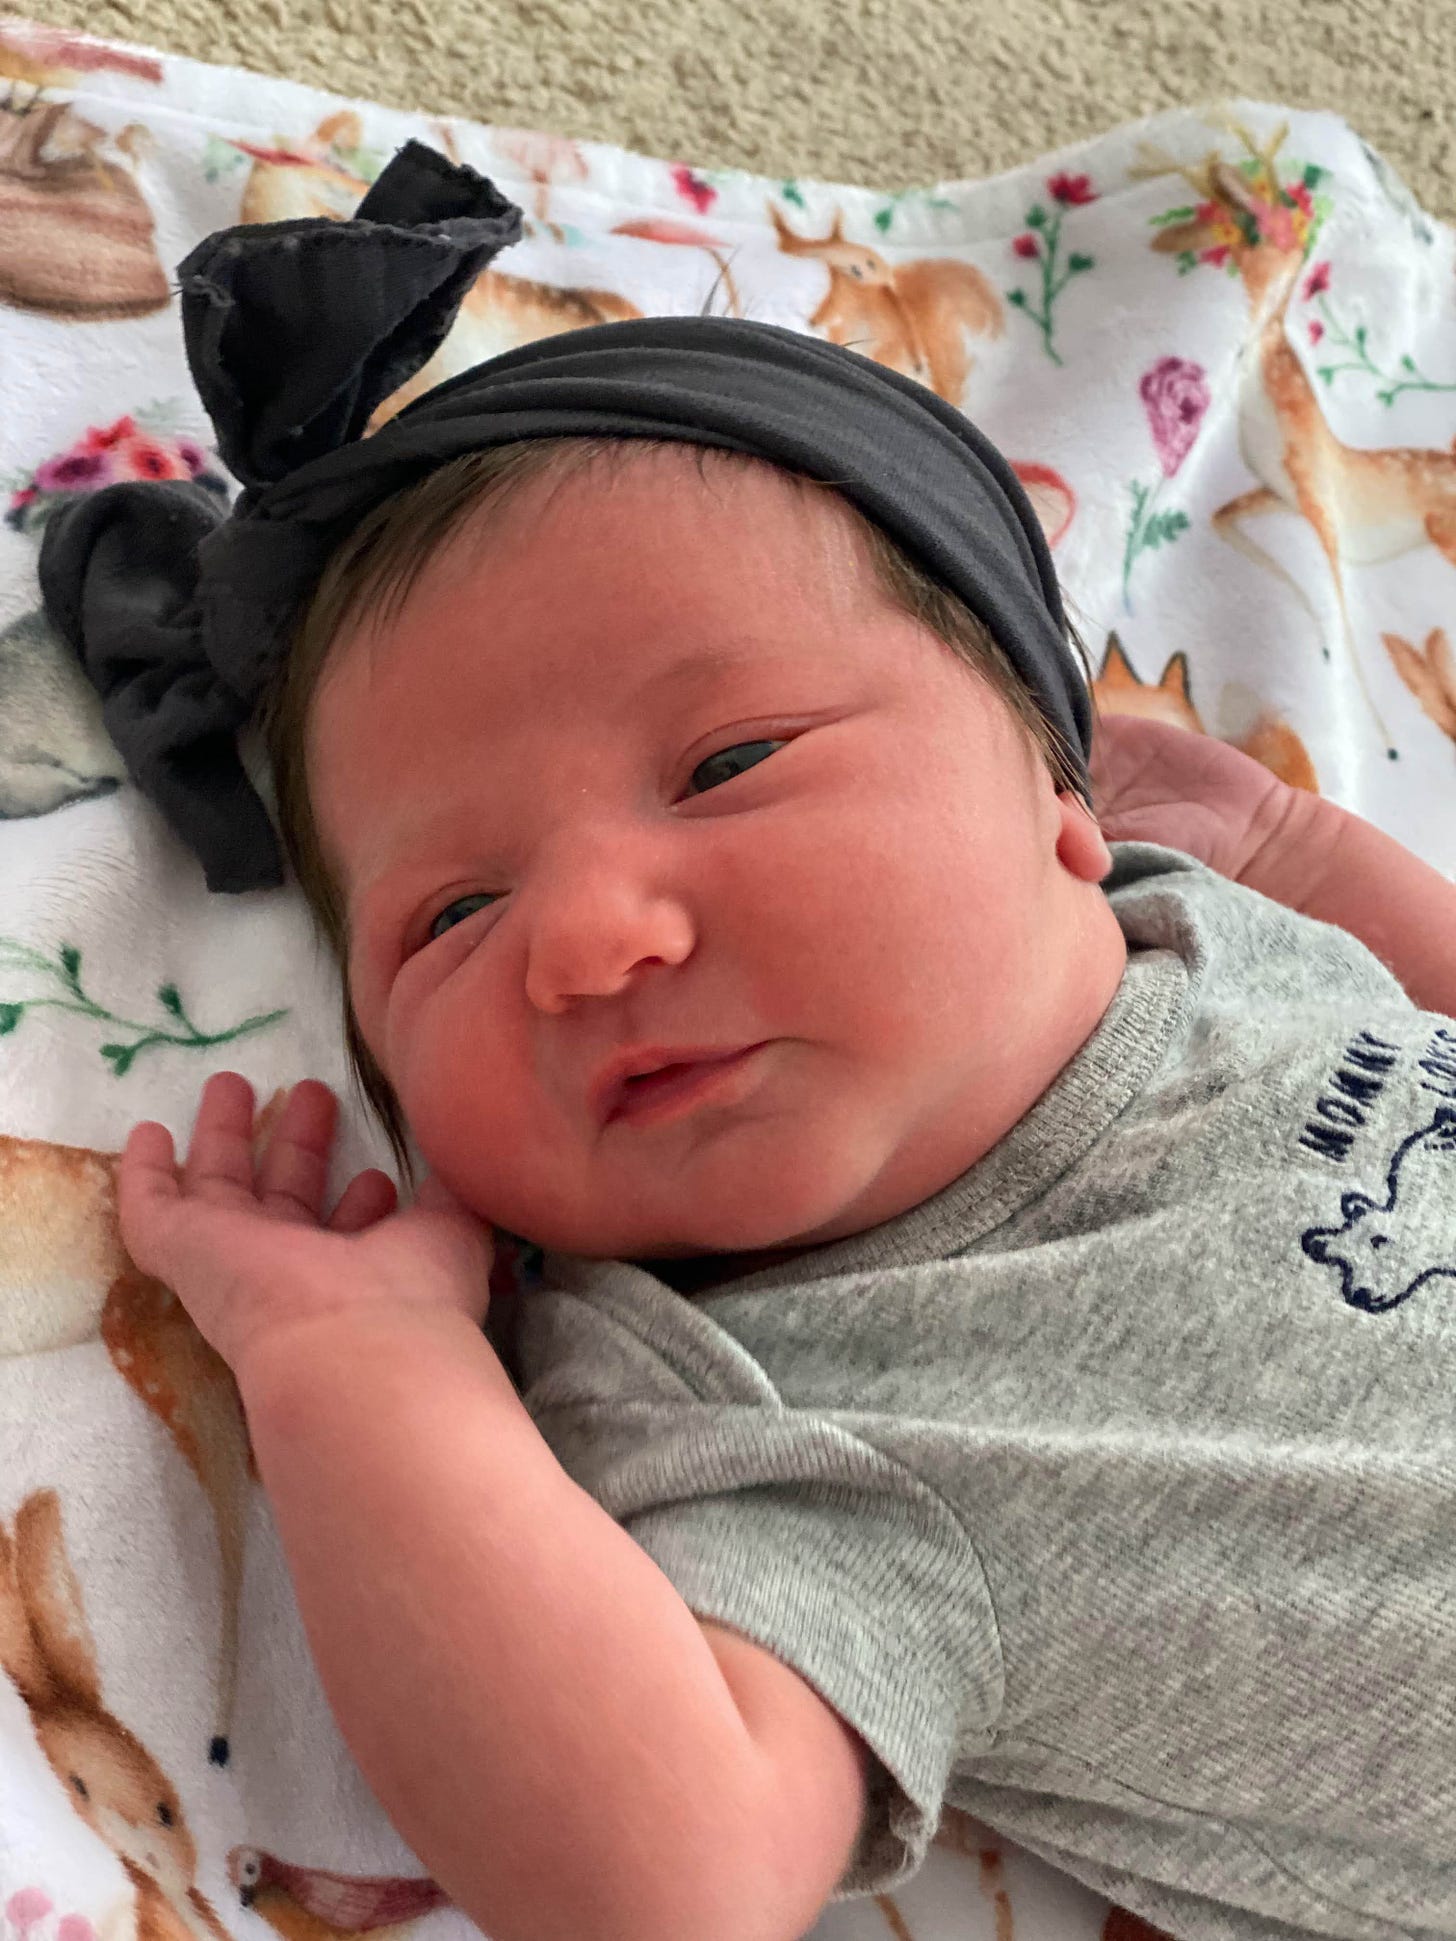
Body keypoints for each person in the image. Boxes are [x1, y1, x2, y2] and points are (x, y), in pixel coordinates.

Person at [39, 142, 1456, 1941]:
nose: (582, 936)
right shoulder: (753, 1397)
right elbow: (666, 1872)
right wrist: (362, 1367)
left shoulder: (1192, 915)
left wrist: (1303, 852)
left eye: (729, 765)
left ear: (1053, 791)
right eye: (446, 918)